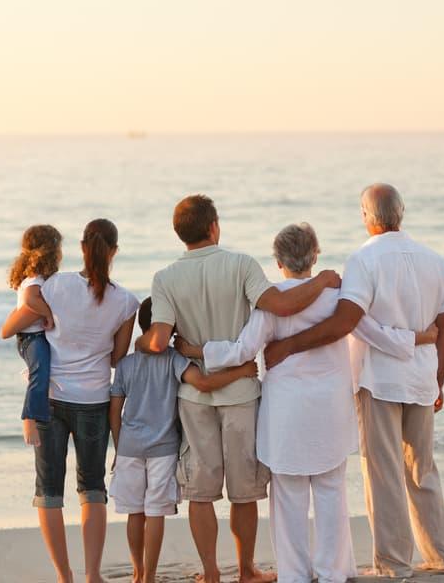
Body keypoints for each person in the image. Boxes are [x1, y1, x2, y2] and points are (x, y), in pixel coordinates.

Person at [175, 223, 437, 583]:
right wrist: (418, 339)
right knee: (331, 492)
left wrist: (195, 350)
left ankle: (295, 574)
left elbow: (241, 351)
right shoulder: (336, 298)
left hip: (286, 410)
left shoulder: (270, 303)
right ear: (316, 256)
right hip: (330, 407)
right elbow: (374, 334)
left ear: (278, 261)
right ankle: (333, 571)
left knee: (288, 498)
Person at [135, 195, 341, 583]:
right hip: (242, 393)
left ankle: (211, 573)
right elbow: (279, 305)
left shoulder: (164, 278)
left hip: (194, 397)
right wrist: (325, 281)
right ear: (214, 227)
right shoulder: (242, 264)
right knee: (243, 489)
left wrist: (141, 345)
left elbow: (160, 340)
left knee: (201, 489)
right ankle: (246, 570)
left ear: (180, 234)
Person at [263, 185, 444, 577]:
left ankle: (393, 563)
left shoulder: (364, 260)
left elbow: (346, 321)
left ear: (367, 217)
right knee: (422, 470)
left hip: (380, 380)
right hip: (421, 379)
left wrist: (289, 346)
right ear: (400, 213)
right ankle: (440, 556)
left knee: (383, 472)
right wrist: (439, 380)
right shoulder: (434, 260)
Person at [2, 218, 140, 583]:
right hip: (94, 400)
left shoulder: (56, 285)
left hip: (50, 398)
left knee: (48, 490)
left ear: (82, 248)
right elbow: (116, 358)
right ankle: (93, 575)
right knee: (92, 488)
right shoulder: (126, 301)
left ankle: (65, 577)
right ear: (113, 252)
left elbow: (21, 316)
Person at [109, 297, 260, 583]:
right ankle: (150, 576)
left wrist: (119, 445)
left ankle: (137, 573)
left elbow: (115, 409)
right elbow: (202, 384)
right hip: (163, 449)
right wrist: (240, 371)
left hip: (129, 447)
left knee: (134, 513)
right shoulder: (174, 360)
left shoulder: (126, 365)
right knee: (155, 512)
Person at [0, 224, 63, 447]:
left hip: (34, 336)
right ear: (50, 251)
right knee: (41, 372)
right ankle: (30, 418)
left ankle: (50, 416)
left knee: (45, 373)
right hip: (31, 338)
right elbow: (29, 300)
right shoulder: (34, 280)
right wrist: (48, 314)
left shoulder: (38, 278)